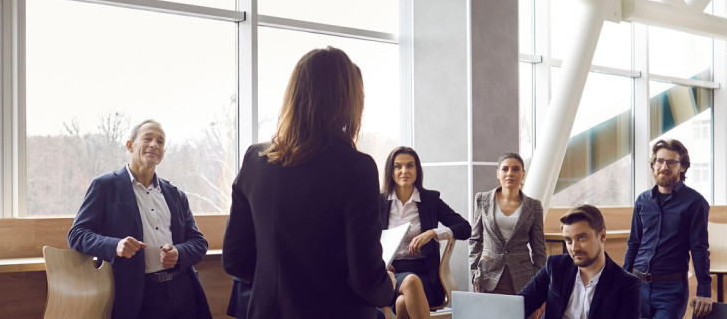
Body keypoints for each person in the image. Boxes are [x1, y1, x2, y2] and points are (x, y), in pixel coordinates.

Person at [224, 46, 395, 318]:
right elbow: (365, 278)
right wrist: (389, 287)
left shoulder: (255, 160)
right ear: (346, 100)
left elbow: (235, 259)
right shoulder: (356, 167)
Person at [67, 120, 212, 319]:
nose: (154, 144)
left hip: (183, 292)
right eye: (148, 138)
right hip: (137, 296)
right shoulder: (104, 186)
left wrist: (179, 252)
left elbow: (199, 242)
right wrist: (115, 246)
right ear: (130, 145)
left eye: (160, 142)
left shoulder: (175, 195)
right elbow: (77, 235)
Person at [623, 139, 714, 318]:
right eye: (660, 161)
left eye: (671, 162)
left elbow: (699, 249)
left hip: (671, 290)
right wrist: (623, 279)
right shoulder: (642, 201)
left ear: (683, 167)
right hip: (637, 286)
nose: (664, 166)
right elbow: (634, 242)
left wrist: (704, 290)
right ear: (653, 165)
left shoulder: (695, 203)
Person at [379, 146, 471, 319]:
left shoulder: (430, 200)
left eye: (410, 165)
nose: (404, 171)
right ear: (390, 171)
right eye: (398, 166)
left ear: (417, 170)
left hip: (426, 274)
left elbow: (465, 228)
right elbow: (364, 240)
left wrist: (432, 233)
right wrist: (380, 260)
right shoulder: (378, 202)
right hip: (390, 275)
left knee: (402, 302)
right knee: (410, 282)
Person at [519, 204, 641, 319]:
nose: (574, 248)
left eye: (582, 238)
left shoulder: (627, 284)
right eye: (568, 240)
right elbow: (520, 304)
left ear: (602, 236)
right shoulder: (555, 266)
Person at [469, 152, 547, 295]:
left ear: (523, 174)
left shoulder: (534, 206)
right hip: (487, 275)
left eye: (516, 169)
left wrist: (539, 279)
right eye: (505, 169)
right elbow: (475, 239)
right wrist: (474, 272)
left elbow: (539, 248)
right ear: (498, 173)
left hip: (523, 277)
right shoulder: (482, 199)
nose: (510, 173)